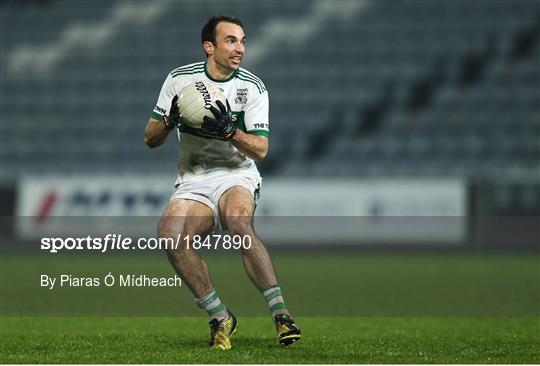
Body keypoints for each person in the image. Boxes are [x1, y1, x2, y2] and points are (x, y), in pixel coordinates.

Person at [143, 15, 301, 350]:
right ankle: (220, 316)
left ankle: (280, 314)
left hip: (236, 174)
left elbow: (261, 149)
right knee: (170, 236)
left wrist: (231, 131)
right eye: (231, 40)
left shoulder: (252, 88)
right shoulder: (178, 80)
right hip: (194, 178)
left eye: (243, 40)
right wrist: (171, 120)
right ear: (209, 46)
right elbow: (150, 138)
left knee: (239, 224)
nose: (239, 48)